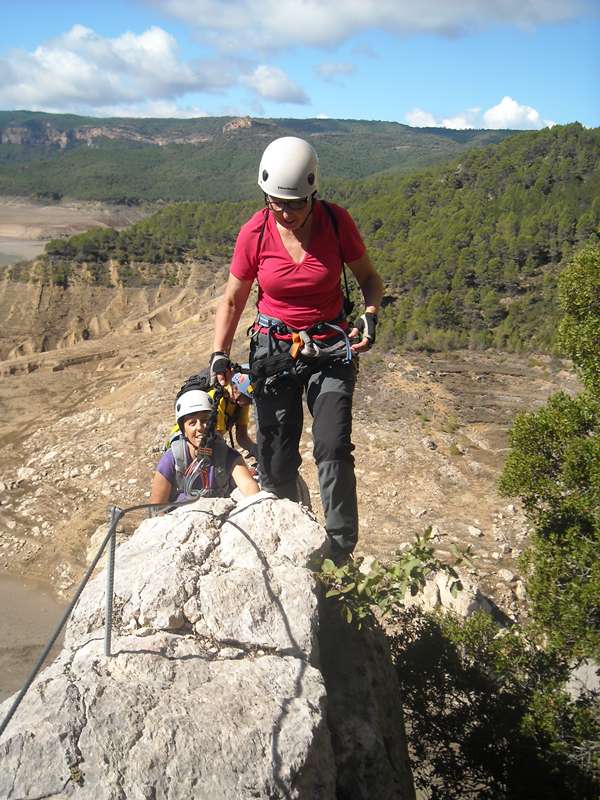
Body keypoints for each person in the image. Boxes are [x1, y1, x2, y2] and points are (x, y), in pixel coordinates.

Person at [209, 136, 383, 558]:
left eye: (295, 204)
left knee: (333, 445)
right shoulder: (256, 231)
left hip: (329, 346)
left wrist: (370, 315)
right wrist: (219, 353)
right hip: (274, 348)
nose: (285, 213)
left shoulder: (337, 223)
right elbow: (233, 298)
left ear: (313, 193)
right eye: (276, 203)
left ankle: (340, 551)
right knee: (276, 455)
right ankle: (288, 541)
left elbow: (370, 280)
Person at [150, 387, 259, 503]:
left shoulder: (227, 456)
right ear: (183, 430)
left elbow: (250, 488)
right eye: (192, 423)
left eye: (205, 421)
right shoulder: (172, 460)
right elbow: (157, 508)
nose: (200, 428)